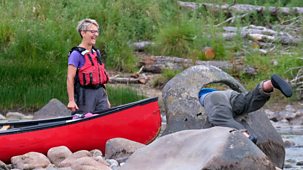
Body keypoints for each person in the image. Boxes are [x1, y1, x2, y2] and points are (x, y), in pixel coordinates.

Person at [198, 74, 292, 143]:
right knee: (249, 101)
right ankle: (269, 85)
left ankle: (246, 136)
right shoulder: (221, 94)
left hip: (212, 98)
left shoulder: (203, 95)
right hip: (229, 95)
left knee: (220, 118)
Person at [67, 18, 110, 115]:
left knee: (104, 120)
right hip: (85, 95)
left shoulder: (96, 53)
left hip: (100, 94)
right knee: (84, 121)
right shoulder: (76, 54)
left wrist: (106, 99)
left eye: (96, 31)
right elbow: (70, 78)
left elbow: (102, 78)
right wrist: (71, 100)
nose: (95, 34)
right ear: (83, 33)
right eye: (92, 31)